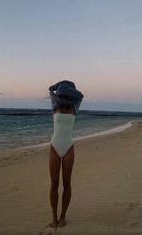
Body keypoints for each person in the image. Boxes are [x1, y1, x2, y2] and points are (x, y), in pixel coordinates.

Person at [48, 80, 83, 228]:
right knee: (54, 184)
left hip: (69, 147)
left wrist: (65, 87)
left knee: (66, 183)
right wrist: (57, 87)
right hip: (54, 147)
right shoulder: (55, 104)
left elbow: (81, 95)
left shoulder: (76, 105)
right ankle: (54, 218)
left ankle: (63, 217)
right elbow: (51, 88)